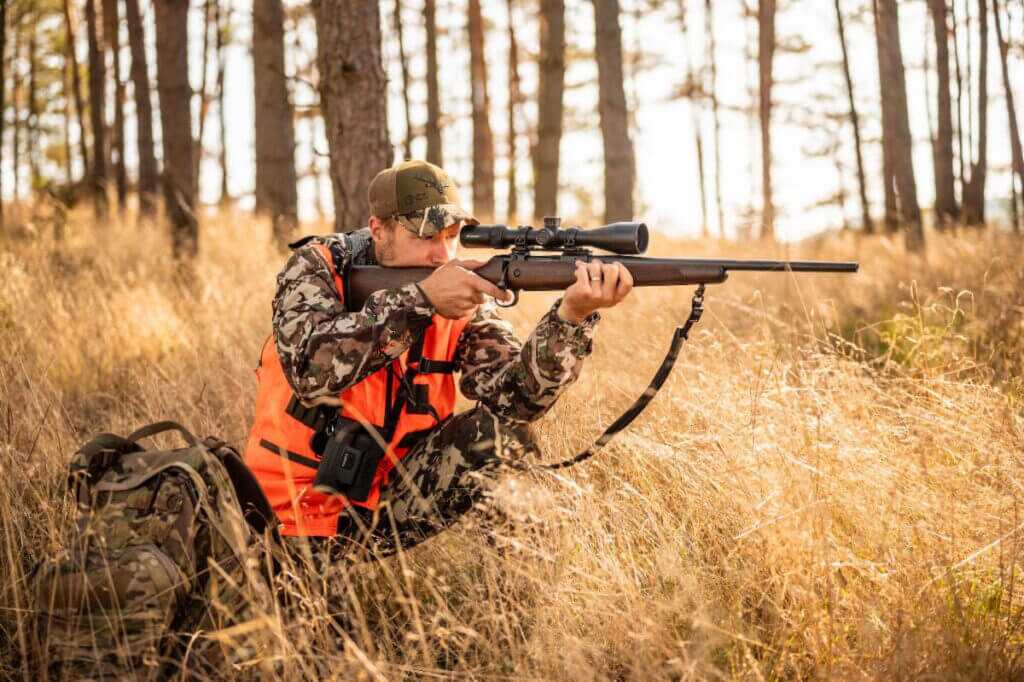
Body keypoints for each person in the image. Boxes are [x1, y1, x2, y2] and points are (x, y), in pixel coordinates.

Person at [243, 160, 633, 561]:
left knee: (502, 437)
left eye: (451, 236)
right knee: (302, 620)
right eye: (427, 236)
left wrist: (571, 317)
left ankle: (508, 616)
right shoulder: (317, 268)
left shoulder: (459, 294)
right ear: (379, 230)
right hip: (286, 520)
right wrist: (420, 301)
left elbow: (516, 401)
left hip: (386, 503)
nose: (441, 254)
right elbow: (309, 369)